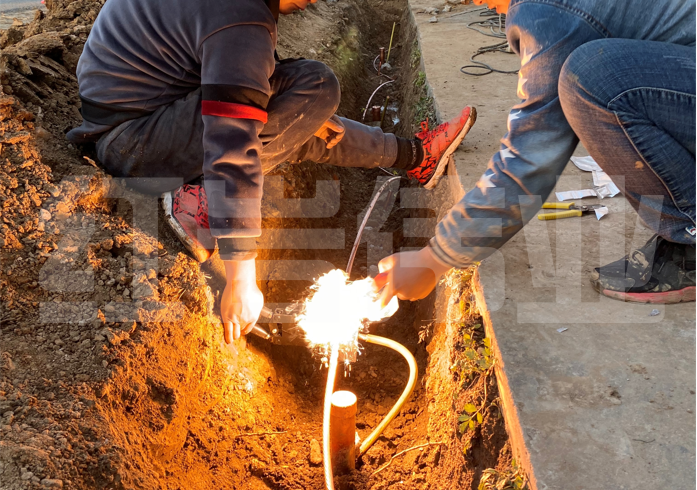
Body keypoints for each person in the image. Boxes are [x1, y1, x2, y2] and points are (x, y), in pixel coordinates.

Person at [66, 0, 477, 343]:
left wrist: (299, 113)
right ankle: (202, 197)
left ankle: (415, 155)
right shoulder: (240, 15)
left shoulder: (238, 13)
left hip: (144, 115)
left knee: (302, 113)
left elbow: (235, 68)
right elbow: (231, 143)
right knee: (316, 86)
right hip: (135, 140)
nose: (315, 2)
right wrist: (241, 275)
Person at [375, 0, 696, 306]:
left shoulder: (546, 16)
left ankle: (691, 241)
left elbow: (531, 157)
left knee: (591, 79)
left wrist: (433, 259)